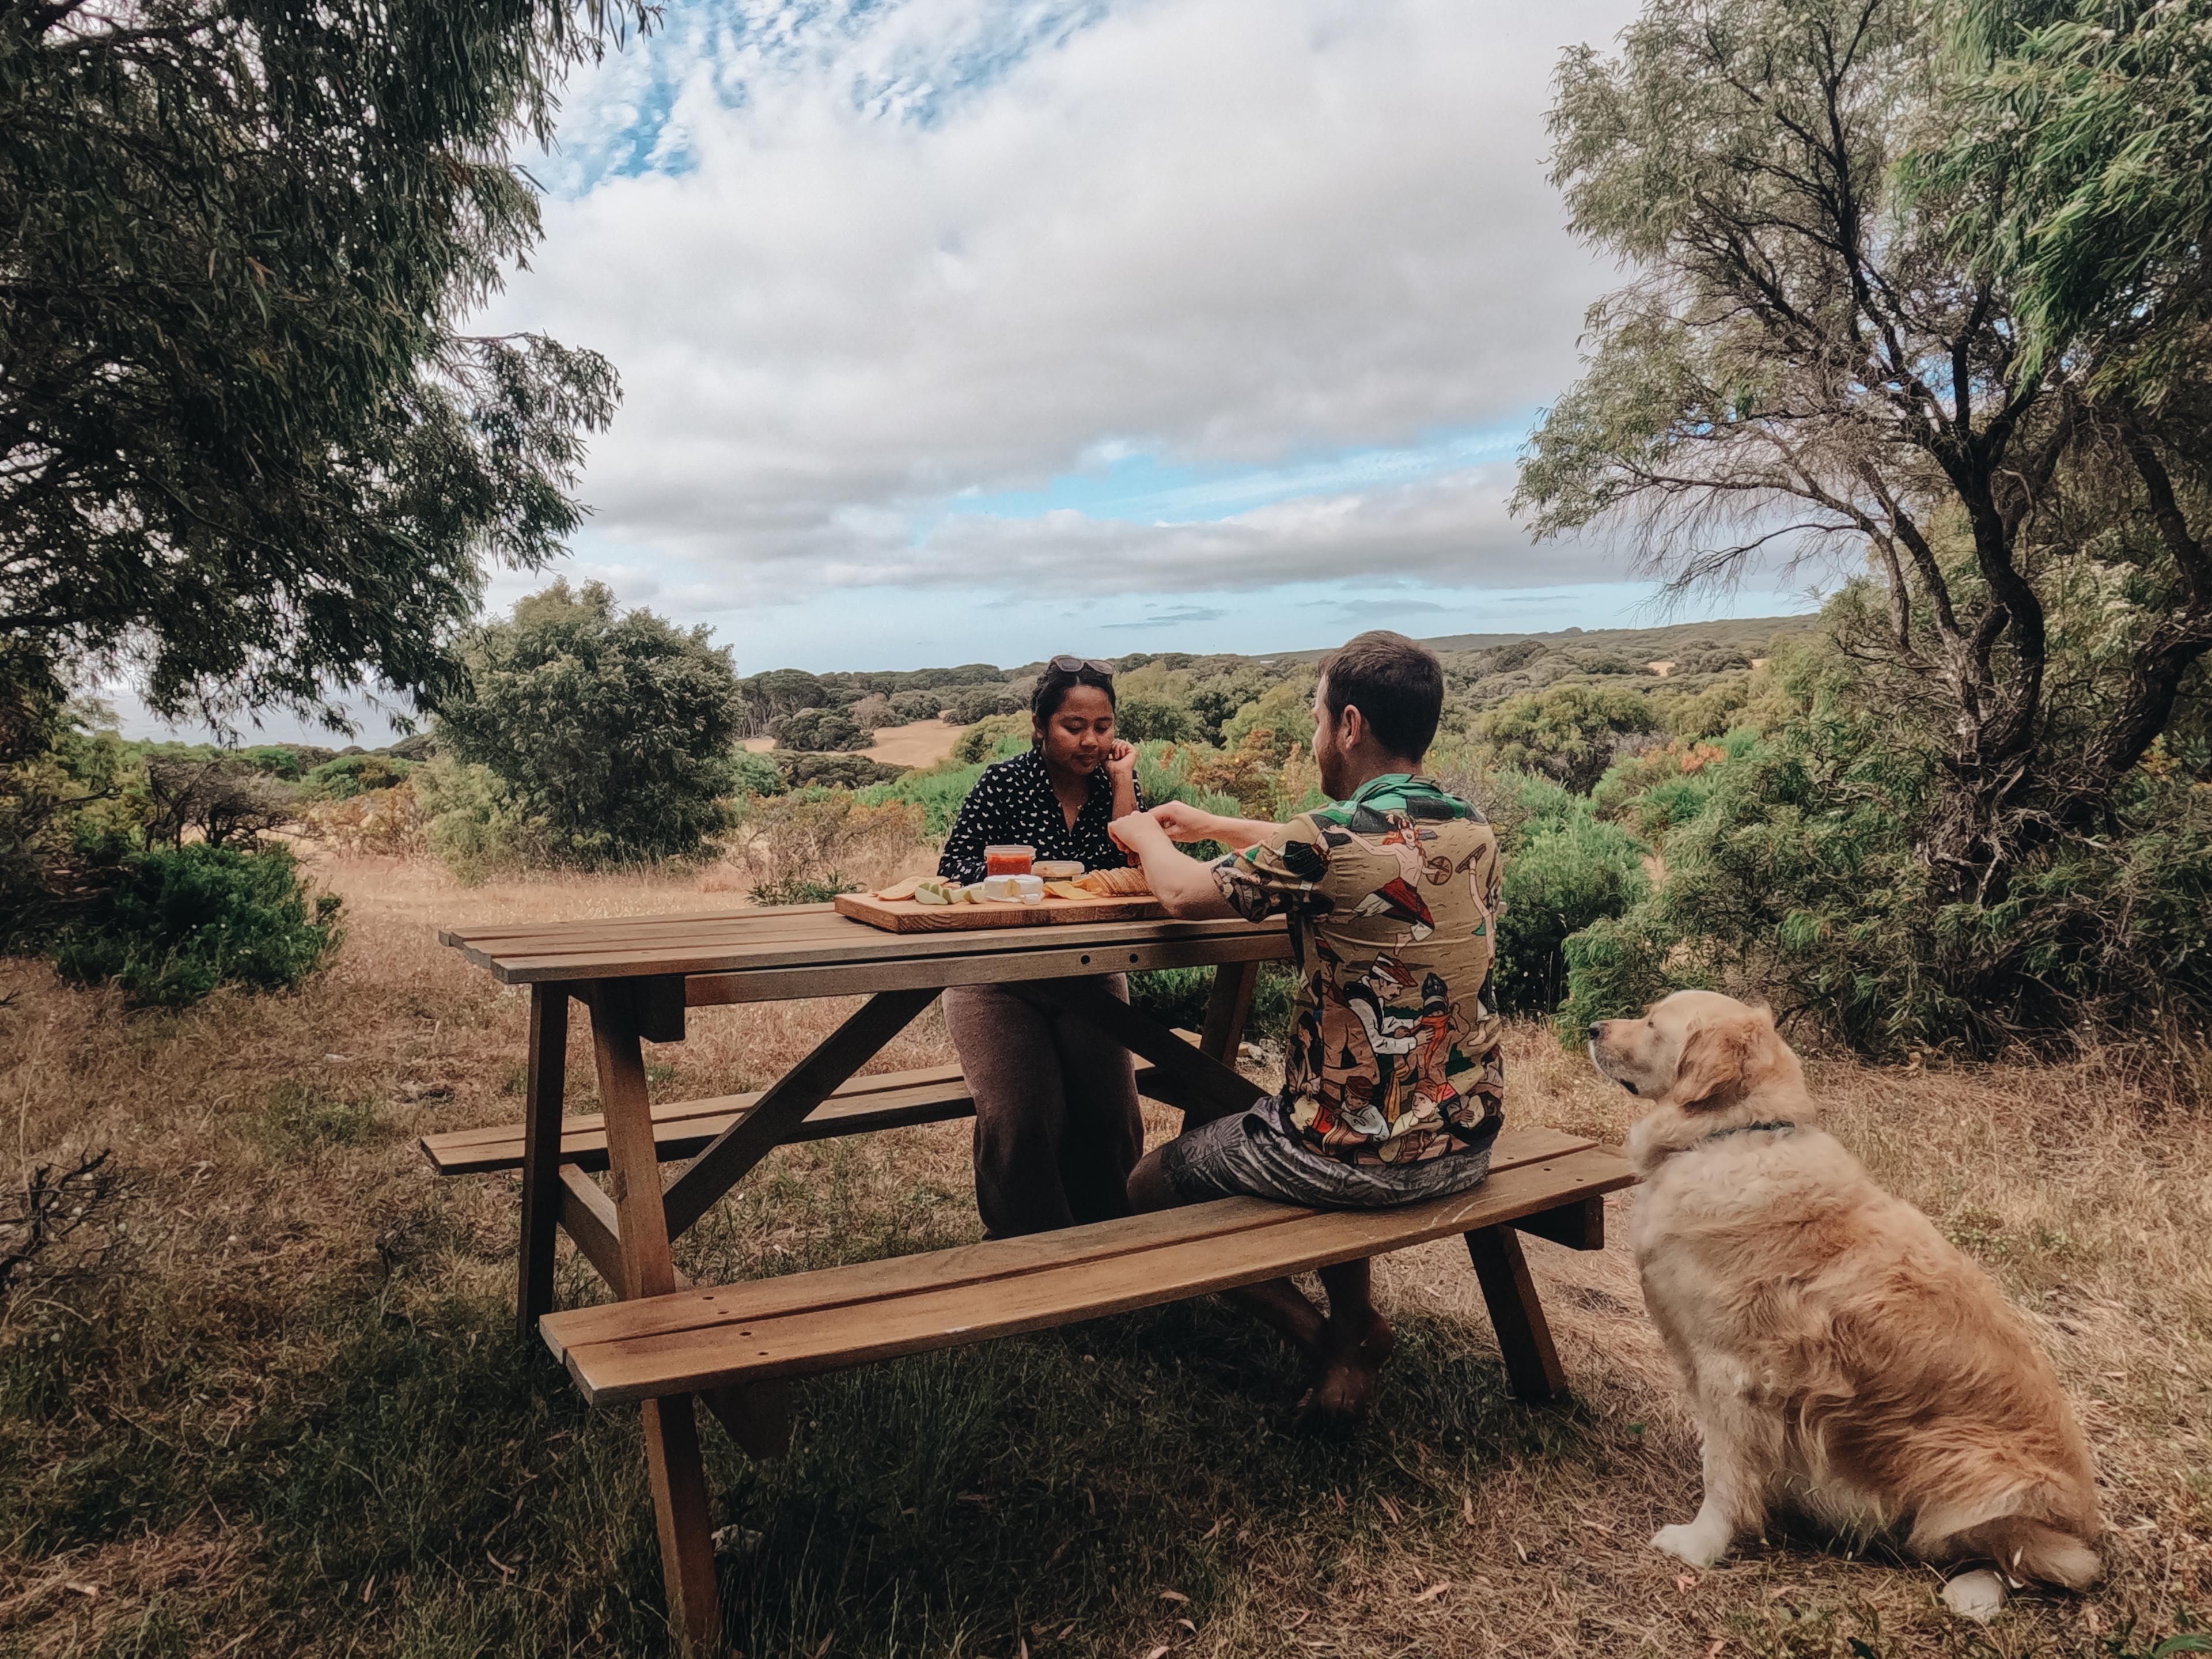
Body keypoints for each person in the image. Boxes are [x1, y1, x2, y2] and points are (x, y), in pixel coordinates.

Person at [1107, 630, 1504, 1427]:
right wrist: (1221, 823)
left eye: (1318, 716)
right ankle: (1355, 1322)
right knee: (1314, 1114)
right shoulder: (1469, 828)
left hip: (1353, 1154)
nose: (1314, 732)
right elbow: (1356, 854)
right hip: (1467, 1141)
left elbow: (1184, 897)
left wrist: (1148, 836)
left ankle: (1326, 1340)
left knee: (1147, 1189)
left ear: (1350, 725)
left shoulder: (1326, 841)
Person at [937, 656, 1147, 1236]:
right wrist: (1018, 877)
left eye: (1102, 727)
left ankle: (1114, 1244)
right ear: (1040, 725)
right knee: (1024, 1121)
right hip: (996, 977)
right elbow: (953, 868)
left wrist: (1125, 783)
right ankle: (1029, 1253)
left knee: (1113, 1120)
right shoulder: (1004, 783)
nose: (1090, 740)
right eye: (1073, 726)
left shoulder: (1117, 788)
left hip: (1090, 973)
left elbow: (1140, 862)